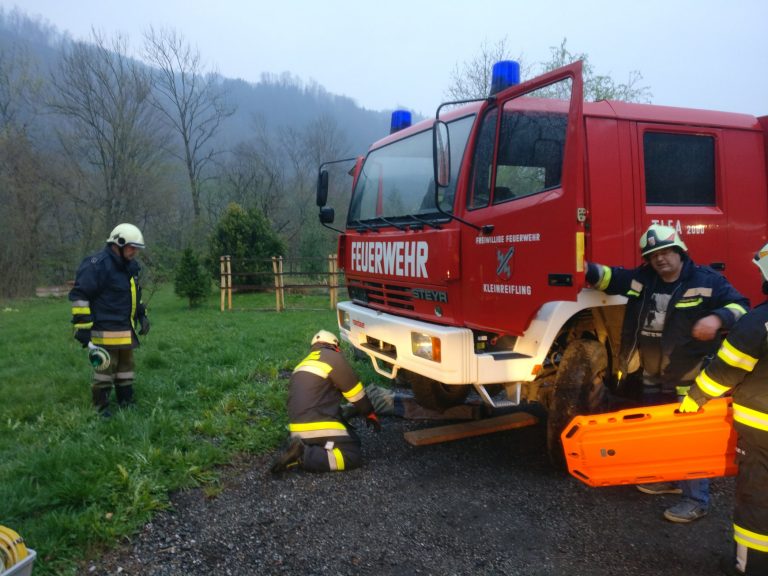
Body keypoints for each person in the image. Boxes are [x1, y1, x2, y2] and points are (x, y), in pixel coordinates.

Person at [586, 224, 749, 523]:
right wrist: (577, 266)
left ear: (679, 252)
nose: (659, 259)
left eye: (665, 252)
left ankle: (696, 499)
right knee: (659, 432)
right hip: (652, 372)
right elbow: (609, 277)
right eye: (652, 255)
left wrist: (716, 317)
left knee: (689, 438)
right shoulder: (643, 279)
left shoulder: (706, 280)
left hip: (689, 376)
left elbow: (741, 306)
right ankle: (670, 479)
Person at [679, 243, 768, 576]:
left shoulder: (759, 322)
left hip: (762, 435)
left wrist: (694, 398)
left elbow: (724, 371)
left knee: (758, 502)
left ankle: (750, 566)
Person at [270, 330, 380, 473]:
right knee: (352, 454)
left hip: (296, 430)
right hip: (318, 426)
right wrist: (369, 412)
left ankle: (304, 447)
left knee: (353, 439)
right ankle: (304, 455)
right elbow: (355, 393)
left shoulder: (301, 365)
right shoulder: (333, 357)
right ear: (335, 346)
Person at [69, 223, 150, 417]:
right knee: (104, 371)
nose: (134, 253)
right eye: (132, 248)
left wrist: (142, 315)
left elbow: (134, 295)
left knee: (126, 370)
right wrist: (82, 327)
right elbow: (80, 295)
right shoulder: (97, 265)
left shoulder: (130, 267)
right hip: (103, 332)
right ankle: (101, 408)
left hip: (125, 331)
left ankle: (126, 400)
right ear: (118, 244)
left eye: (136, 249)